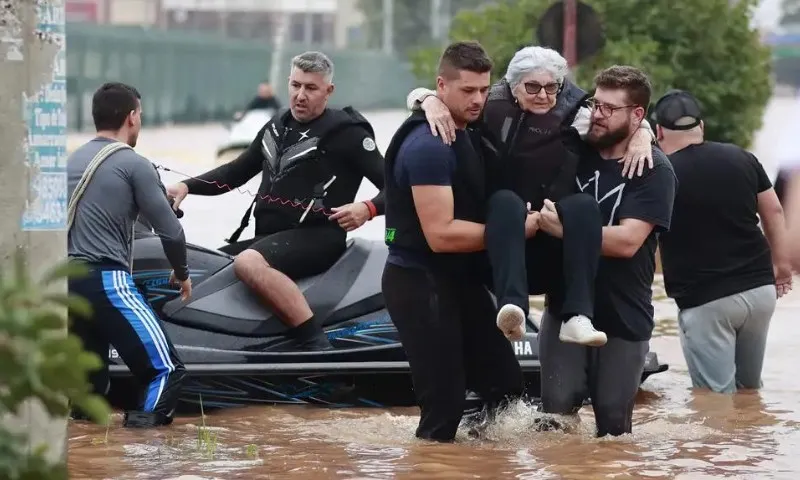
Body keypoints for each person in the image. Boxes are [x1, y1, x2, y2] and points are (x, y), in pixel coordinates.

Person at [406, 46, 656, 346]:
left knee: (584, 205)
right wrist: (428, 100)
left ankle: (578, 316)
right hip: (505, 236)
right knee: (504, 200)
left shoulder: (577, 116)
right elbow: (440, 94)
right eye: (533, 87)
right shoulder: (487, 107)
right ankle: (513, 308)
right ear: (513, 87)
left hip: (553, 239)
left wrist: (644, 133)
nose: (543, 95)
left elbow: (623, 119)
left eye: (552, 87)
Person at [167, 51, 385, 351]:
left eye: (311, 88)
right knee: (195, 265)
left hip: (319, 237)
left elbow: (397, 186)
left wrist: (368, 208)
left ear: (329, 91)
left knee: (248, 262)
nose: (300, 95)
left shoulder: (348, 133)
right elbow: (235, 172)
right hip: (271, 238)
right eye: (295, 85)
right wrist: (185, 187)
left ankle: (316, 344)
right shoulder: (277, 124)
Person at [382, 41, 532, 443]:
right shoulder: (428, 145)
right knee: (443, 407)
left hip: (459, 282)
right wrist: (517, 230)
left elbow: (574, 104)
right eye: (467, 91)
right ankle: (432, 465)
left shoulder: (467, 125)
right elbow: (441, 235)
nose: (478, 100)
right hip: (419, 281)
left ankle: (481, 466)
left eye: (483, 90)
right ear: (441, 86)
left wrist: (641, 131)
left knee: (505, 387)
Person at [536, 66, 677, 437]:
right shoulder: (572, 148)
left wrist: (566, 232)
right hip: (563, 309)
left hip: (623, 314)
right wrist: (430, 100)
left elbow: (629, 241)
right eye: (596, 104)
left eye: (609, 109)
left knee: (614, 434)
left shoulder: (654, 168)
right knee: (555, 424)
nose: (597, 114)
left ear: (637, 115)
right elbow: (514, 93)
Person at [67, 82, 191, 428]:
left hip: (64, 284)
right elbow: (171, 230)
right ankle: (144, 454)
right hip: (104, 281)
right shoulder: (133, 163)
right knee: (165, 370)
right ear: (132, 117)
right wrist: (182, 272)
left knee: (88, 389)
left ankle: (86, 458)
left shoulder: (71, 160)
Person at [653, 89, 791, 393]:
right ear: (701, 126)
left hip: (706, 300)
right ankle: (754, 439)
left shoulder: (661, 172)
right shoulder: (742, 157)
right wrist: (781, 266)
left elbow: (644, 233)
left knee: (714, 401)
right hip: (759, 292)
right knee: (748, 392)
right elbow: (775, 210)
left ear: (659, 131)